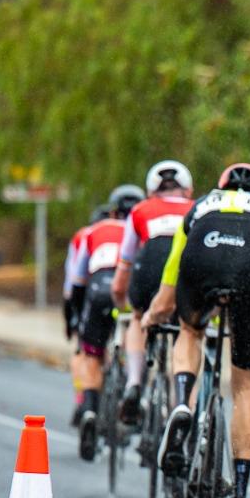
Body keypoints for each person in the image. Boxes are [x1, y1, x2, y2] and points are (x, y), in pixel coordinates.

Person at [146, 163, 250, 498]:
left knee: (190, 331)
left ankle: (183, 400)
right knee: (244, 383)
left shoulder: (199, 207)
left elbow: (168, 290)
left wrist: (151, 318)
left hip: (203, 261)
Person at [111, 161, 195, 425]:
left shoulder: (140, 210)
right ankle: (182, 407)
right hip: (184, 270)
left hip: (149, 266)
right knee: (188, 332)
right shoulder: (197, 209)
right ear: (188, 189)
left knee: (138, 318)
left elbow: (124, 268)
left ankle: (134, 382)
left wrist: (123, 302)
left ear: (150, 191)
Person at [67, 189, 141, 455]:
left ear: (112, 211)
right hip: (129, 292)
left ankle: (88, 409)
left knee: (91, 356)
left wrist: (75, 320)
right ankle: (134, 388)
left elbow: (76, 283)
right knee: (139, 339)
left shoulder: (91, 232)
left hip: (98, 290)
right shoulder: (140, 226)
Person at [64, 204, 112, 427]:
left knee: (85, 352)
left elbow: (73, 280)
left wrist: (71, 318)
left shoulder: (85, 235)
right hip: (122, 294)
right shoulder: (129, 229)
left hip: (92, 294)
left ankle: (84, 400)